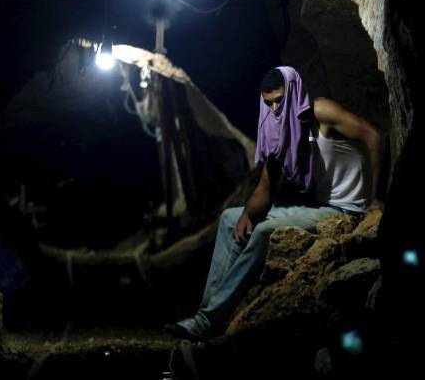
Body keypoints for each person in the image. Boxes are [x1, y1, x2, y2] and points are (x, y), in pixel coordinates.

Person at [165, 66, 384, 341]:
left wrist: (374, 198)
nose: (275, 107)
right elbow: (266, 187)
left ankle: (208, 320)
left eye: (280, 99)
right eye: (268, 102)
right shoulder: (280, 130)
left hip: (347, 212)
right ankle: (207, 318)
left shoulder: (321, 112)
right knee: (231, 219)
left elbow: (374, 136)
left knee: (264, 231)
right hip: (322, 208)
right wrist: (248, 213)